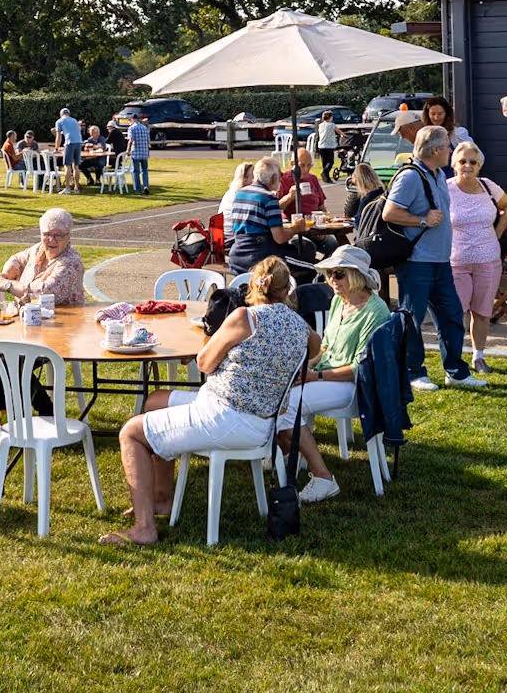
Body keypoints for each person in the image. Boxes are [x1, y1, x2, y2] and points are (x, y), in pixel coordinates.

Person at [103, 256, 313, 546]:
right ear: (286, 290)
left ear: (254, 285)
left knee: (131, 432)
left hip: (223, 417)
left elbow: (204, 363)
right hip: (264, 424)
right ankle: (162, 500)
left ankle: (144, 529)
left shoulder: (244, 318)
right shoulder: (299, 326)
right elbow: (315, 349)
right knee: (157, 404)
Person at [278, 245, 389, 505]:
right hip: (330, 374)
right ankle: (290, 451)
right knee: (278, 388)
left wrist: (314, 376)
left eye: (338, 274)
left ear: (357, 275)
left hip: (354, 386)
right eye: (329, 274)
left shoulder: (375, 311)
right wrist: (307, 366)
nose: (331, 281)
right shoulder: (340, 301)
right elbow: (327, 346)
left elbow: (360, 369)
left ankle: (322, 476)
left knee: (287, 404)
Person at [381, 125, 487, 391]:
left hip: (440, 260)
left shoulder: (438, 173)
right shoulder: (411, 177)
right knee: (412, 318)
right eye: (448, 147)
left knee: (451, 315)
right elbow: (389, 213)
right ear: (437, 149)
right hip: (417, 261)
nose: (451, 150)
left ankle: (456, 372)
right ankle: (414, 372)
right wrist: (421, 220)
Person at [448, 141, 507, 375]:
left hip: (488, 260)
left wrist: (498, 232)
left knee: (482, 312)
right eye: (462, 161)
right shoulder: (446, 189)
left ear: (479, 166)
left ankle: (478, 356)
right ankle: (454, 357)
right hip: (456, 261)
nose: (467, 166)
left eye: (473, 162)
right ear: (454, 165)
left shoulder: (488, 186)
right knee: (456, 312)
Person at [0, 207, 86, 306]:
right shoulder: (38, 249)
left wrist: (7, 285)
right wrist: (5, 275)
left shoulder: (71, 263)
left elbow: (43, 293)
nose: (51, 240)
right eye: (46, 234)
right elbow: (17, 259)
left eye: (58, 235)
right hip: (29, 316)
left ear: (68, 235)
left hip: (60, 318)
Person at [225, 157, 307, 274]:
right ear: (274, 178)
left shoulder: (240, 194)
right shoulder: (269, 198)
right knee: (313, 270)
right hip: (261, 260)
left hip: (237, 258)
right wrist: (295, 228)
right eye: (280, 175)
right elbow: (280, 238)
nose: (281, 178)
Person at [54, 107, 84, 194]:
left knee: (67, 165)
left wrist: (56, 148)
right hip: (78, 142)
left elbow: (58, 136)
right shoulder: (74, 120)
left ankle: (67, 188)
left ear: (61, 114)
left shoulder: (59, 121)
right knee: (76, 166)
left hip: (69, 142)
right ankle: (76, 188)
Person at [127, 113, 152, 193]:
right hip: (144, 152)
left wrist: (128, 150)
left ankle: (138, 190)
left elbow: (131, 140)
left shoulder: (131, 128)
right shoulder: (144, 128)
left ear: (132, 119)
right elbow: (148, 141)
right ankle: (145, 186)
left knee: (136, 171)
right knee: (145, 170)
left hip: (136, 152)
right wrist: (148, 152)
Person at [314, 110, 340, 181]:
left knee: (324, 162)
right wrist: (343, 135)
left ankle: (326, 178)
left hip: (321, 145)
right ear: (330, 117)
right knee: (331, 162)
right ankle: (324, 172)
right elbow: (338, 131)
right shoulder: (332, 125)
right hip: (329, 146)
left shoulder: (320, 125)